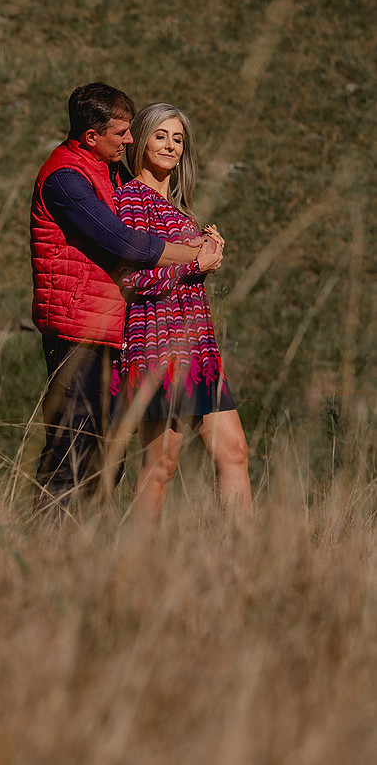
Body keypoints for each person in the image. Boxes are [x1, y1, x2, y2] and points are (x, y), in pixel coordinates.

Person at [30, 82, 222, 523]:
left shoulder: (105, 170)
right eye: (121, 133)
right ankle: (44, 558)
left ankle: (80, 555)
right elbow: (123, 242)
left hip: (112, 332)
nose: (131, 139)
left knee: (106, 458)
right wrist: (195, 253)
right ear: (91, 136)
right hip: (76, 331)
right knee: (70, 450)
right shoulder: (66, 179)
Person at [113, 102, 252, 521]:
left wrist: (207, 256)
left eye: (177, 139)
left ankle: (243, 565)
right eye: (160, 135)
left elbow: (181, 276)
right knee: (161, 466)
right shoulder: (133, 198)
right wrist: (196, 264)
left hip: (198, 347)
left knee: (234, 452)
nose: (170, 145)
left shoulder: (179, 208)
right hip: (155, 343)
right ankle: (136, 570)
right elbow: (131, 281)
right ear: (140, 140)